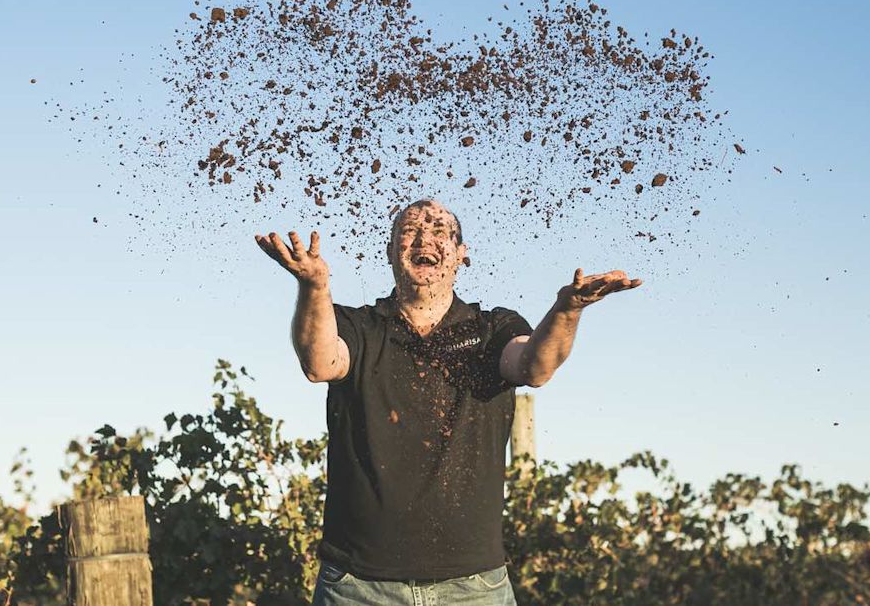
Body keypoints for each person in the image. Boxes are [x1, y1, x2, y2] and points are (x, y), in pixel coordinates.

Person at [255, 199, 641, 605]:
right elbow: (320, 362)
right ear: (391, 251)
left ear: (461, 254)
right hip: (359, 586)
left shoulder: (493, 330)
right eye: (409, 231)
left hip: (473, 587)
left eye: (440, 232)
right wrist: (314, 287)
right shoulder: (357, 326)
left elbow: (534, 367)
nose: (425, 238)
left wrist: (568, 310)